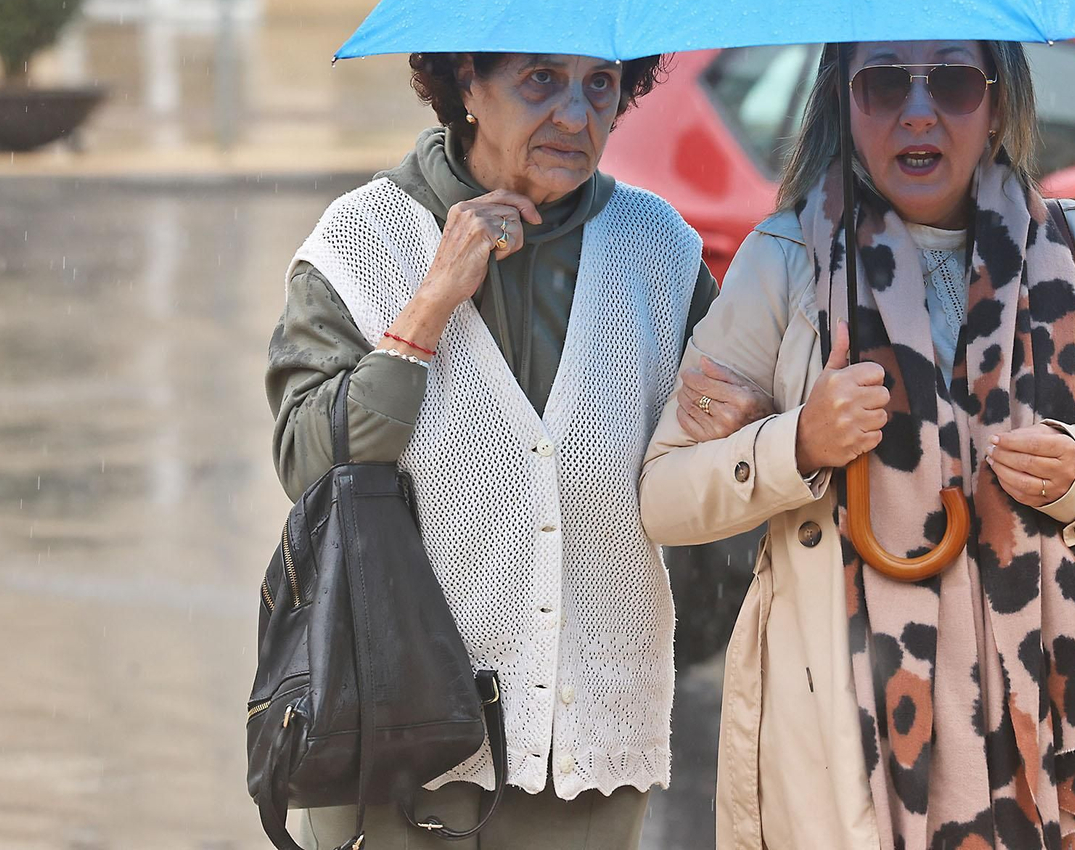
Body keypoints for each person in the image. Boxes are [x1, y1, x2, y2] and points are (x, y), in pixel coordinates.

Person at [640, 40, 1075, 850]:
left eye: (951, 80)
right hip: (848, 740)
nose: (917, 110)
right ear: (843, 99)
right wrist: (797, 441)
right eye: (884, 82)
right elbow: (663, 495)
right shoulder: (785, 262)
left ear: (999, 102)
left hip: (1044, 735)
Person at [266, 50, 768, 849]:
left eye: (600, 84)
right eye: (541, 79)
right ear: (467, 81)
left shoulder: (658, 249)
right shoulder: (360, 240)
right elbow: (306, 462)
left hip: (589, 749)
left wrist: (740, 417)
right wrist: (428, 307)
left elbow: (707, 457)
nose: (576, 114)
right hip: (393, 741)